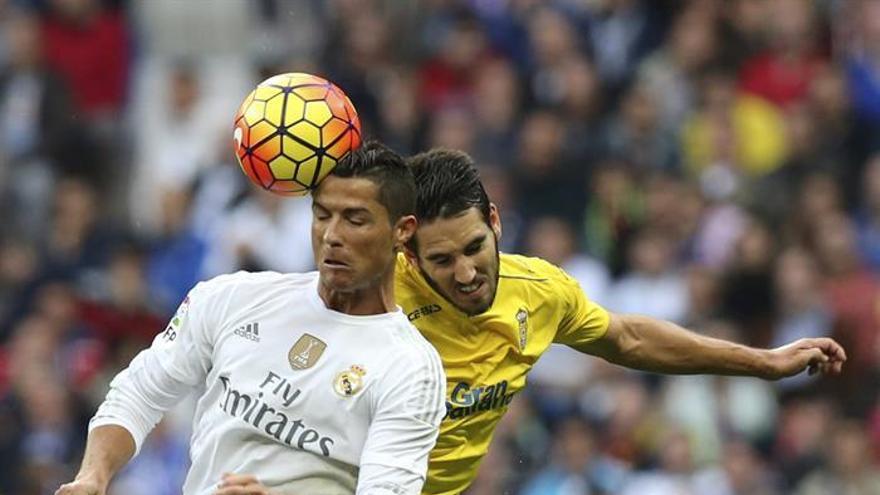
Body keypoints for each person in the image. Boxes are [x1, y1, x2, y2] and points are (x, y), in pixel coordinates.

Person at [394, 148, 847, 495]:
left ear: (494, 222)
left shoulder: (539, 291)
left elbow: (628, 338)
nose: (467, 273)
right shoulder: (373, 293)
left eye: (474, 247)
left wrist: (762, 362)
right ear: (410, 256)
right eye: (442, 259)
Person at [56, 141, 447, 495]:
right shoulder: (233, 298)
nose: (332, 235)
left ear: (403, 231)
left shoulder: (411, 367)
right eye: (322, 215)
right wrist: (94, 474)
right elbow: (139, 391)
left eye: (355, 219)